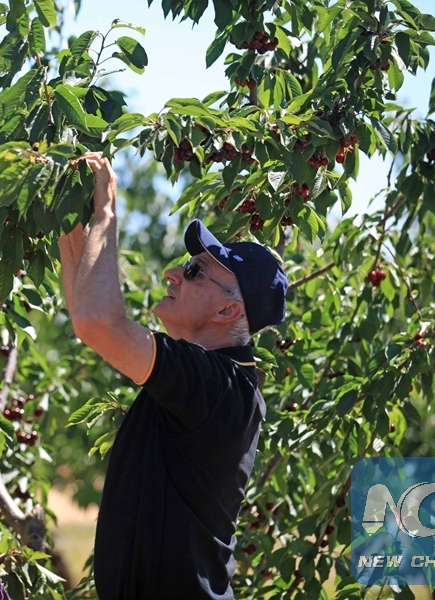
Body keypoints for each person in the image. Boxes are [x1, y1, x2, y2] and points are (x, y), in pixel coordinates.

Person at [58, 153, 288, 600]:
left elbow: (97, 322)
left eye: (195, 270)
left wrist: (107, 210)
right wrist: (70, 219)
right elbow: (86, 314)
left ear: (228, 310)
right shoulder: (209, 378)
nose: (173, 273)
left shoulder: (218, 388)